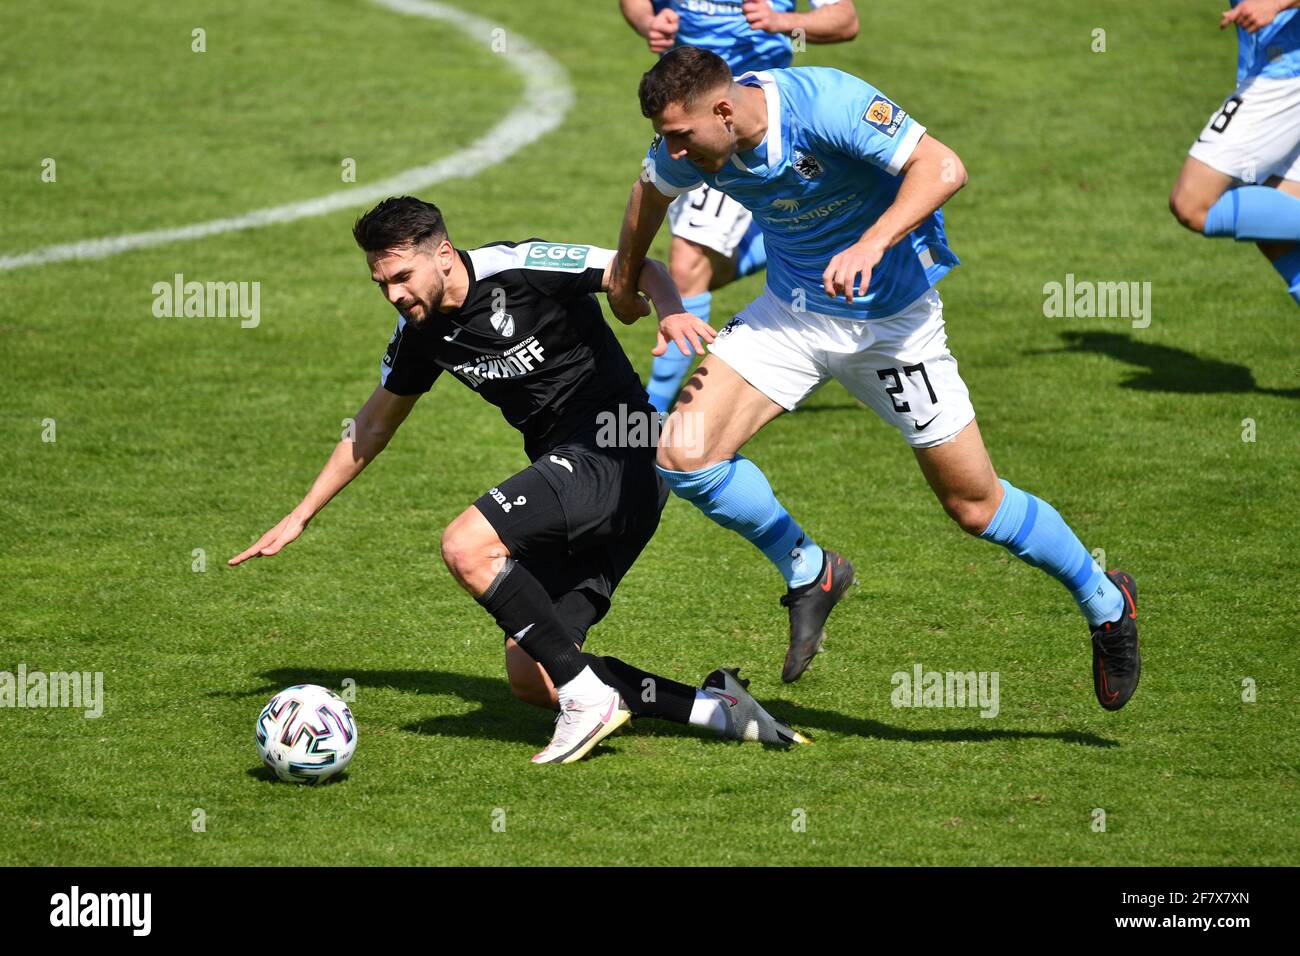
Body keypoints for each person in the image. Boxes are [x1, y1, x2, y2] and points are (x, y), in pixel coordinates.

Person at [607, 49, 1141, 710]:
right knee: (684, 453)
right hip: (791, 318)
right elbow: (649, 190)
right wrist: (627, 277)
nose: (673, 151)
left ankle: (1107, 602)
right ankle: (811, 568)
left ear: (723, 108)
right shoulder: (689, 148)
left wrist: (874, 241)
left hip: (891, 328)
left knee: (974, 505)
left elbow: (943, 166)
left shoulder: (822, 102)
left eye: (681, 135)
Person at [230, 196, 807, 763]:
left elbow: (637, 268)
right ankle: (718, 710)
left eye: (402, 276)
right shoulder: (422, 332)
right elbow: (374, 423)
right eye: (381, 283)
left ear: (444, 255)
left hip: (617, 447)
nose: (395, 295)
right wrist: (303, 512)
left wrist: (671, 309)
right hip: (590, 485)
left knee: (466, 545)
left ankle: (590, 704)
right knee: (533, 676)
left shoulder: (523, 266)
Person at [619, 0, 859, 411]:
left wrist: (784, 22)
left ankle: (650, 413)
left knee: (687, 266)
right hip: (687, 127)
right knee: (695, 269)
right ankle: (786, 235)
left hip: (744, 127)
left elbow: (845, 20)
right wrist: (649, 21)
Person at [1169, 0, 1300, 306]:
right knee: (1275, 229)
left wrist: (1275, 3)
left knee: (1192, 202)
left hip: (1285, 76)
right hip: (1276, 66)